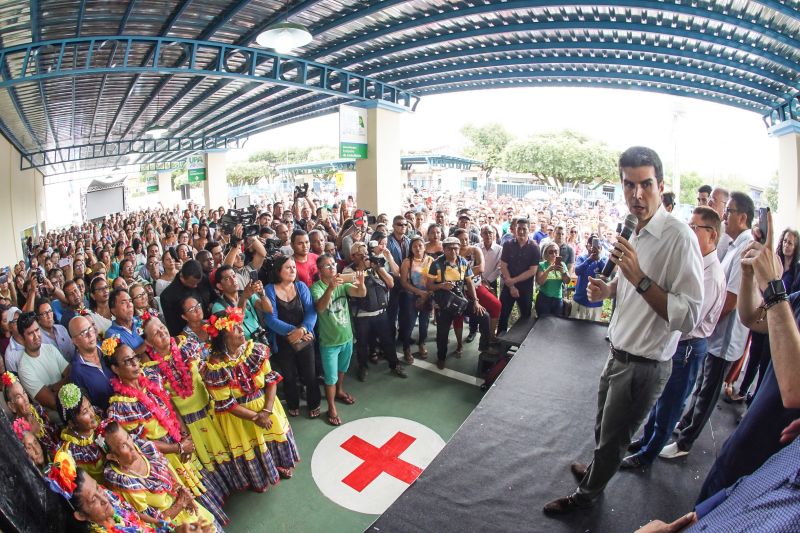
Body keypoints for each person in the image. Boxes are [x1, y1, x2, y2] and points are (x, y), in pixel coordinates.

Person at [543, 146, 703, 515]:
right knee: (604, 430)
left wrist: (639, 279)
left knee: (615, 439)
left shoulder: (680, 238)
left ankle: (586, 496)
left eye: (645, 184)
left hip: (644, 366)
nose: (637, 194)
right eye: (629, 185)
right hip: (617, 352)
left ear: (660, 186)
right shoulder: (632, 230)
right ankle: (599, 469)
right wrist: (610, 288)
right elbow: (629, 286)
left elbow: (689, 316)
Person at [622, 206, 726, 468]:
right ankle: (646, 441)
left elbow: (687, 321)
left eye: (694, 227)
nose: (688, 232)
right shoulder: (695, 264)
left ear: (711, 235)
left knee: (671, 405)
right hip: (679, 344)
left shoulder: (711, 275)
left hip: (688, 346)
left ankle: (647, 455)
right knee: (660, 400)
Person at [661, 191, 754, 460]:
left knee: (707, 392)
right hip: (713, 335)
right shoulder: (733, 244)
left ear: (743, 217)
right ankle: (685, 426)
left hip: (723, 337)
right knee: (700, 386)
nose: (724, 214)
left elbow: (731, 300)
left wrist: (706, 326)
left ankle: (685, 444)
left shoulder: (744, 248)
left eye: (729, 211)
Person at [103, 339, 228, 525]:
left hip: (179, 439)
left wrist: (185, 437)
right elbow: (139, 446)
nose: (135, 364)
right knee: (186, 496)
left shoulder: (151, 376)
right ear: (115, 369)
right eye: (127, 361)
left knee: (201, 482)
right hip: (163, 457)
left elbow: (171, 407)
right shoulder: (120, 407)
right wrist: (176, 447)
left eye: (135, 358)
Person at [140, 316, 239, 493]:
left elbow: (206, 372)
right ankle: (223, 490)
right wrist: (183, 430)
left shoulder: (187, 346)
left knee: (227, 445)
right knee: (206, 457)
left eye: (162, 327)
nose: (162, 332)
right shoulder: (150, 371)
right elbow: (167, 402)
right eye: (155, 333)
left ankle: (240, 479)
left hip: (210, 410)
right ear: (148, 342)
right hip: (188, 422)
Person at [201, 307, 298, 486]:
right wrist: (255, 417)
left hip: (265, 405)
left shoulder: (254, 350)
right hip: (241, 416)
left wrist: (266, 411)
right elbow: (227, 403)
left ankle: (279, 465)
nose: (241, 330)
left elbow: (270, 380)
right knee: (253, 445)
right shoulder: (215, 367)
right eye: (235, 328)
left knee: (270, 437)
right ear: (223, 337)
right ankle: (262, 474)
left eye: (240, 325)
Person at [100, 422, 221, 530]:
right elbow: (149, 522)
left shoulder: (143, 448)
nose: (132, 446)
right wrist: (180, 504)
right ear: (112, 457)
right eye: (123, 446)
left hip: (186, 508)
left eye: (128, 438)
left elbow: (169, 473)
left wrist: (183, 492)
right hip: (174, 526)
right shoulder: (125, 483)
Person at [264, 256, 322, 417]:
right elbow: (271, 319)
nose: (292, 270)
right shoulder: (269, 289)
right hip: (283, 341)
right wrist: (293, 331)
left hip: (305, 337)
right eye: (288, 267)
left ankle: (314, 403)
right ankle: (293, 403)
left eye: (294, 267)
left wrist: (302, 330)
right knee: (289, 376)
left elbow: (311, 312)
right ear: (278, 271)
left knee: (310, 374)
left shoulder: (301, 286)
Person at [312, 254, 366, 426]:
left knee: (342, 369)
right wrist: (330, 288)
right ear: (320, 270)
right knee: (330, 377)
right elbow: (320, 308)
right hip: (329, 343)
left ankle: (340, 391)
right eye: (327, 266)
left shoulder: (342, 284)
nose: (332, 267)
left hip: (347, 338)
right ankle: (331, 406)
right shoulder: (316, 288)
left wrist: (361, 282)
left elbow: (360, 293)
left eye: (333, 264)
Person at [427, 237, 495, 370]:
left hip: (460, 302)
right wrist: (441, 285)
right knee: (442, 333)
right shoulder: (436, 264)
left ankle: (484, 347)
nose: (453, 251)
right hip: (444, 305)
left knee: (484, 316)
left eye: (456, 248)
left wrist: (475, 302)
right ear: (444, 249)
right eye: (449, 248)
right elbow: (429, 285)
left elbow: (469, 283)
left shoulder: (463, 262)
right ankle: (441, 357)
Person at [343, 242, 408, 381]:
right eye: (361, 255)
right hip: (361, 315)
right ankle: (363, 367)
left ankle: (394, 364)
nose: (365, 257)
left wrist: (378, 268)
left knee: (388, 341)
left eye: (366, 254)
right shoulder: (348, 271)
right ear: (353, 256)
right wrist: (363, 269)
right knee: (362, 343)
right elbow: (354, 291)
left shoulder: (375, 266)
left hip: (380, 313)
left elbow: (390, 283)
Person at [16, 311, 71, 413]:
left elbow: (72, 375)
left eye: (37, 330)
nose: (36, 336)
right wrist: (66, 382)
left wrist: (54, 387)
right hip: (58, 420)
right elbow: (53, 402)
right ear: (22, 338)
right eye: (30, 333)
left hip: (74, 406)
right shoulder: (24, 369)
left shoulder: (50, 348)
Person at [3, 370, 60, 457]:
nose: (25, 399)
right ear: (12, 406)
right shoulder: (18, 433)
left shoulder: (37, 409)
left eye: (24, 393)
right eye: (18, 397)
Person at [497, 218, 540, 334]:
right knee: (503, 314)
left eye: (524, 229)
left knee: (526, 316)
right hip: (508, 286)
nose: (521, 231)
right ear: (515, 229)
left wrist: (513, 281)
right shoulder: (508, 245)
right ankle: (500, 342)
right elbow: (503, 265)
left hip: (525, 288)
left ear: (529, 230)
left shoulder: (534, 247)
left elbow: (532, 271)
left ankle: (522, 344)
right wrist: (511, 286)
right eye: (519, 228)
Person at [56, 383, 105, 481]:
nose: (92, 414)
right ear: (71, 423)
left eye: (90, 406)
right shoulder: (69, 452)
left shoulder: (99, 415)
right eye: (85, 412)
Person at [67, 315, 114, 411]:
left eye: (90, 328)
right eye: (83, 333)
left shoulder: (107, 348)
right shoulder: (77, 371)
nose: (90, 334)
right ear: (75, 341)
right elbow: (88, 407)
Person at [399, 236, 434, 360]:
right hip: (411, 296)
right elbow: (403, 282)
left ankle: (421, 344)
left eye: (420, 245)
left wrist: (427, 294)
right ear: (411, 248)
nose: (418, 248)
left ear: (424, 247)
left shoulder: (431, 260)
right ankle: (406, 348)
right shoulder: (407, 262)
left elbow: (434, 280)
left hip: (427, 296)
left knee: (424, 323)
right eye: (414, 246)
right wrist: (419, 292)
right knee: (410, 323)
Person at [159, 260, 212, 337]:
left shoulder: (201, 277)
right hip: (188, 338)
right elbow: (174, 329)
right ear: (182, 278)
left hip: (209, 328)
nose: (196, 286)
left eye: (198, 282)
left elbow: (213, 298)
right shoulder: (167, 296)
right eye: (193, 283)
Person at [571, 235, 607, 321]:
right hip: (580, 301)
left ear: (600, 247)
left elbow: (606, 275)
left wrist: (598, 259)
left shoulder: (604, 259)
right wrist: (589, 260)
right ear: (587, 246)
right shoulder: (582, 257)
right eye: (591, 245)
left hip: (596, 304)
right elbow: (577, 271)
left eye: (596, 245)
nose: (593, 247)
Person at [535, 242, 570, 316]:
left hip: (558, 300)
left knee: (556, 323)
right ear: (546, 253)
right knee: (543, 323)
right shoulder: (542, 265)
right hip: (544, 299)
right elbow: (540, 282)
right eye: (550, 252)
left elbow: (567, 281)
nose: (554, 254)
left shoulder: (562, 265)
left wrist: (563, 272)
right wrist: (548, 269)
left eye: (556, 251)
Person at [105, 289, 146, 354]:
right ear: (113, 311)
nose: (129, 305)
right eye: (123, 302)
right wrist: (147, 344)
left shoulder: (141, 320)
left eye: (130, 301)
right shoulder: (111, 335)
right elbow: (123, 359)